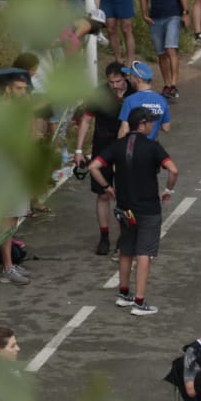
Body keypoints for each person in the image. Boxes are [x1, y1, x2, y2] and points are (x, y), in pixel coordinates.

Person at [89, 105, 177, 316]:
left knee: (126, 248)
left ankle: (124, 293)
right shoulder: (152, 147)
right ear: (142, 124)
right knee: (145, 252)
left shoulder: (118, 146)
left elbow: (94, 166)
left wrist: (107, 187)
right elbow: (173, 170)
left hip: (125, 209)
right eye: (151, 122)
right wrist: (168, 189)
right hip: (148, 209)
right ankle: (139, 301)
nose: (153, 125)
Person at [77, 63, 134, 256]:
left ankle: (124, 236)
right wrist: (78, 149)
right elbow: (86, 119)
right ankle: (104, 236)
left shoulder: (134, 92)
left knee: (125, 196)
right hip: (103, 147)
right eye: (111, 82)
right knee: (102, 195)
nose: (115, 85)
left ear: (125, 78)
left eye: (118, 81)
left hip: (127, 149)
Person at [138, 0, 190, 99]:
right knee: (161, 53)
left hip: (172, 15)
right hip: (156, 18)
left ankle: (173, 84)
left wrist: (185, 12)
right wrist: (144, 14)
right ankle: (167, 84)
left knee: (170, 48)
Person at [118, 62, 173, 138]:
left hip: (134, 146)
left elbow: (124, 130)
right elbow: (166, 128)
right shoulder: (162, 99)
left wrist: (118, 147)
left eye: (131, 76)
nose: (129, 80)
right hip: (151, 146)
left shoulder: (129, 100)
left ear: (138, 79)